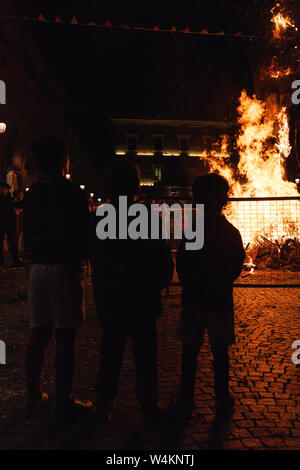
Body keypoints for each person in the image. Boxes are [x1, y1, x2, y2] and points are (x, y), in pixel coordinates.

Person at [90, 162, 174, 427]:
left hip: (112, 297)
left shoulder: (100, 217)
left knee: (111, 352)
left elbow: (96, 258)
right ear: (136, 186)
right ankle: (148, 405)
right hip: (142, 297)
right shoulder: (149, 216)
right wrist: (158, 283)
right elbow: (161, 258)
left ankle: (103, 406)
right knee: (146, 354)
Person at [23, 136, 91, 424]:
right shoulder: (72, 192)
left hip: (37, 268)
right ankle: (62, 402)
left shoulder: (33, 193)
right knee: (65, 335)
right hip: (64, 267)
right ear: (63, 161)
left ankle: (33, 396)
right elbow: (83, 232)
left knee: (38, 333)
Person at [174, 173, 245, 419]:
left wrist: (191, 284)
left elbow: (183, 262)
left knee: (190, 350)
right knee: (220, 351)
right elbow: (237, 263)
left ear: (197, 200)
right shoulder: (231, 232)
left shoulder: (192, 232)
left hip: (194, 299)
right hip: (220, 300)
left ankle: (185, 396)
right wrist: (222, 281)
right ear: (224, 200)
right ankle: (222, 397)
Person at [0, 181, 20, 267]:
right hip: (2, 222)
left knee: (13, 242)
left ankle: (16, 260)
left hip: (9, 222)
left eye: (6, 189)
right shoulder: (6, 199)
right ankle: (1, 261)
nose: (5, 191)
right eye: (4, 189)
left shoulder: (8, 198)